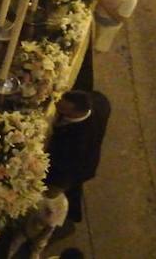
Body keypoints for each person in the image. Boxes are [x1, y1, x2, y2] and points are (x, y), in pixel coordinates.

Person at [46, 90, 111, 227]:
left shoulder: (79, 140)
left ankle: (58, 223)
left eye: (62, 107)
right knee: (74, 192)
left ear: (74, 113)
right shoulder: (98, 101)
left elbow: (64, 166)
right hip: (80, 160)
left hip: (74, 169)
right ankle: (74, 215)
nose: (57, 104)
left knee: (55, 194)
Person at [6, 183, 68, 258]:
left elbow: (49, 230)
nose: (53, 192)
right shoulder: (36, 186)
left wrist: (36, 251)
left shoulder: (61, 204)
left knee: (14, 245)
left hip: (29, 231)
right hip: (14, 222)